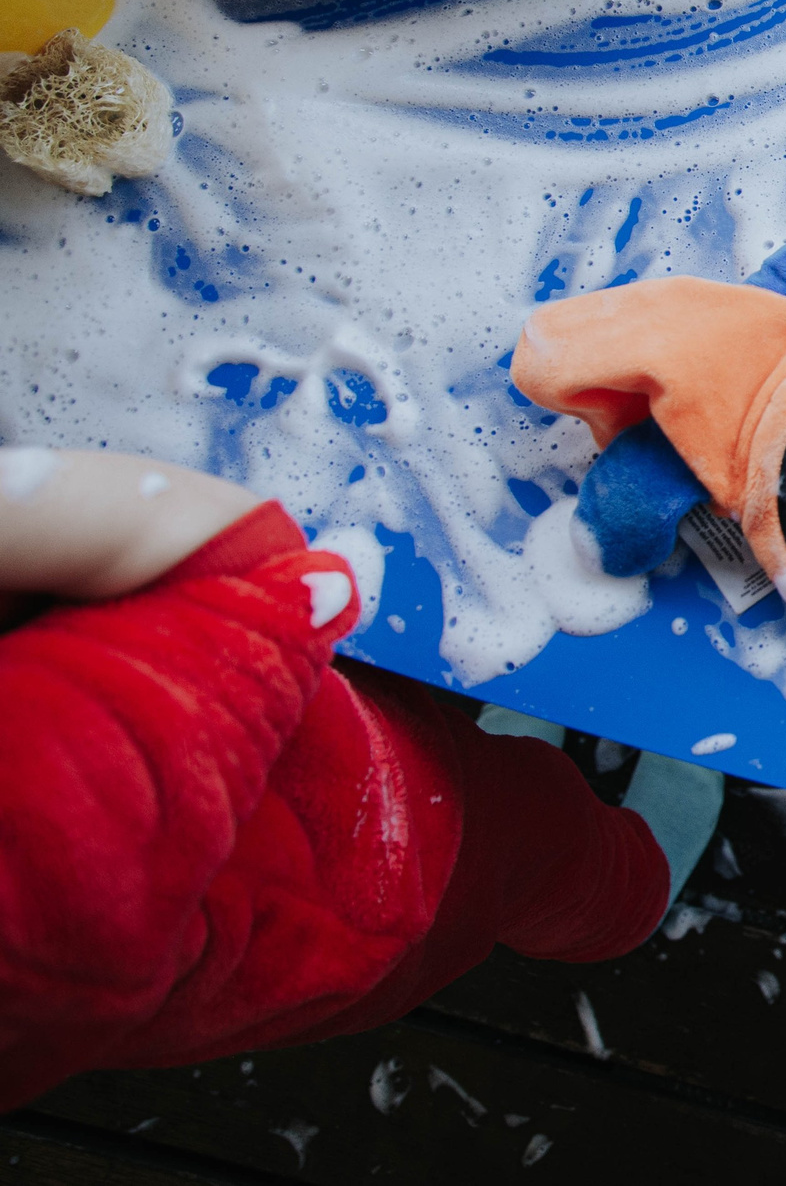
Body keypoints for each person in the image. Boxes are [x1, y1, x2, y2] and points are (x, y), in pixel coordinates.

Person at [0, 447, 721, 1110]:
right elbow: (258, 564)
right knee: (554, 853)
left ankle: (505, 749)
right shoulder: (47, 835)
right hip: (399, 872)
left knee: (468, 747)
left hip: (257, 943)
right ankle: (633, 896)